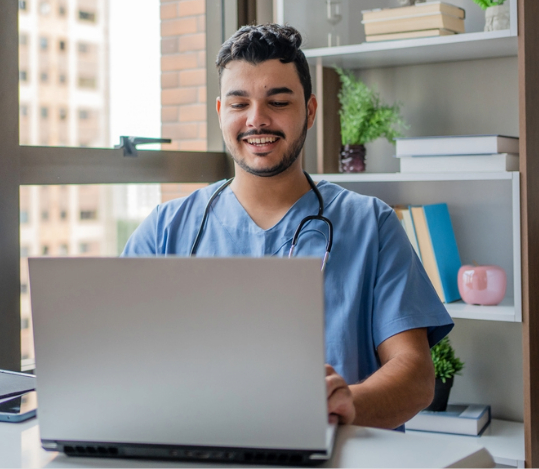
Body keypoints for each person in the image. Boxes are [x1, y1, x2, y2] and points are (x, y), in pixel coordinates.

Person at [121, 24, 453, 430]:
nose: (257, 120)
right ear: (221, 112)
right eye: (239, 103)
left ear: (310, 111)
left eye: (278, 101)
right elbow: (118, 356)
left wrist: (348, 402)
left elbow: (416, 376)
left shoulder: (372, 224)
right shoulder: (165, 230)